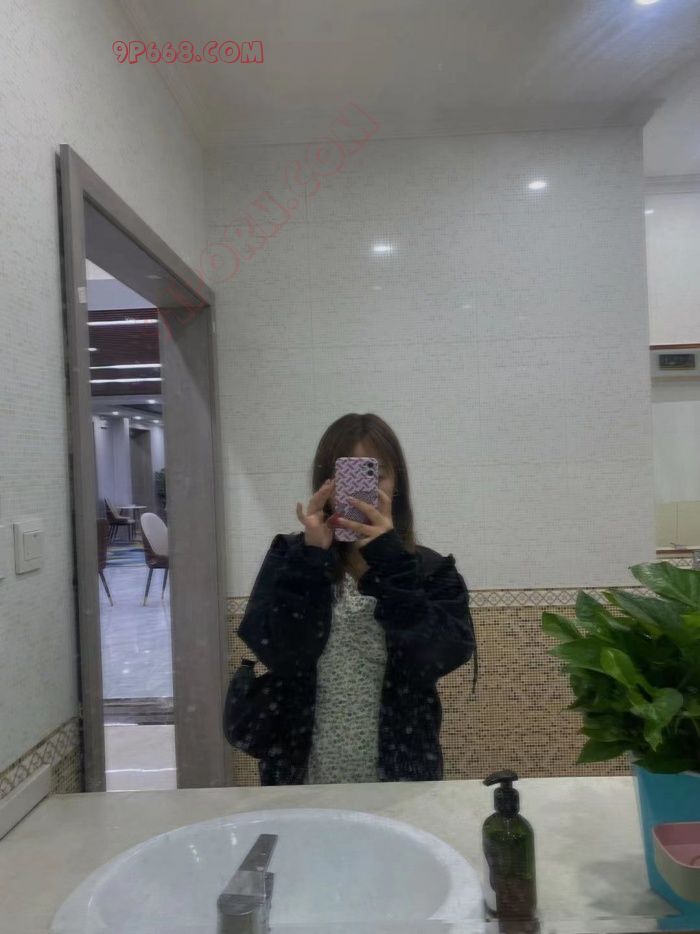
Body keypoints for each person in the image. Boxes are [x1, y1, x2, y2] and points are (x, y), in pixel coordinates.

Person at [228, 413, 476, 785]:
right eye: (344, 476)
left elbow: (437, 658)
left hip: (400, 779)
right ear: (324, 484)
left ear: (397, 485)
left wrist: (389, 561)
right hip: (300, 775)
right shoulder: (291, 558)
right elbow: (281, 655)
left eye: (376, 475)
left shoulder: (428, 570)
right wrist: (312, 560)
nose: (360, 491)